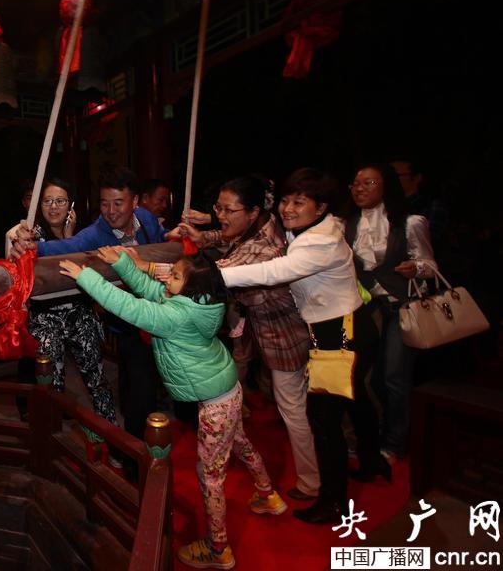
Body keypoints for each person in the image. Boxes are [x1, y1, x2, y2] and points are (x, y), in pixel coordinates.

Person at [60, 246, 287, 570]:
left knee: (210, 475)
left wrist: (88, 278)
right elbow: (151, 291)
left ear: (191, 286)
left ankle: (218, 549)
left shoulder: (177, 316)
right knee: (240, 441)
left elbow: (131, 307)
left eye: (176, 276)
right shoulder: (200, 302)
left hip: (215, 402)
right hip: (226, 389)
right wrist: (122, 263)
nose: (168, 278)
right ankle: (267, 495)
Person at [214, 168, 385, 525]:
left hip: (339, 333)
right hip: (347, 326)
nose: (288, 209)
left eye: (299, 202)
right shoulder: (311, 229)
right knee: (356, 403)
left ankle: (334, 502)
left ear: (320, 207)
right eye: (285, 201)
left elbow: (274, 271)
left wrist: (215, 276)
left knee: (324, 419)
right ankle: (372, 462)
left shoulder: (319, 242)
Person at [171, 175, 319, 501]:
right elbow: (228, 237)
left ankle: (311, 482)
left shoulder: (262, 247)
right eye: (218, 208)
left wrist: (141, 266)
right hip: (259, 328)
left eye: (229, 210)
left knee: (292, 408)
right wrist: (203, 236)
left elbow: (213, 276)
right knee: (282, 398)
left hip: (283, 334)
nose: (221, 216)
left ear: (253, 211)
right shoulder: (260, 224)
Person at [10, 167, 167, 447]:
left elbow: (162, 242)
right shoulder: (94, 233)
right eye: (104, 204)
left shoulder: (146, 219)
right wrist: (27, 246)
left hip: (157, 306)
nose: (110, 211)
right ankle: (134, 449)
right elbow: (64, 248)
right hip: (124, 315)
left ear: (134, 202)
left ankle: (123, 434)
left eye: (118, 203)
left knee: (122, 378)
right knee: (133, 379)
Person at [4, 178, 116, 427]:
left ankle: (110, 433)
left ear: (70, 205)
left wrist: (69, 236)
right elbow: (18, 248)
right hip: (45, 317)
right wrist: (19, 243)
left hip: (79, 311)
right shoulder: (31, 233)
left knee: (97, 378)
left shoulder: (82, 234)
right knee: (50, 383)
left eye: (60, 201)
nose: (54, 207)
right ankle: (50, 437)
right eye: (47, 201)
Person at [344, 163, 435, 465]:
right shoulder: (347, 225)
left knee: (394, 376)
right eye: (356, 183)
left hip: (400, 308)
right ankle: (368, 434)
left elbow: (430, 266)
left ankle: (395, 443)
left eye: (368, 183)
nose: (360, 188)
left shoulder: (410, 223)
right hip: (367, 309)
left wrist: (416, 268)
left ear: (386, 186)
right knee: (363, 376)